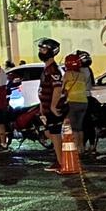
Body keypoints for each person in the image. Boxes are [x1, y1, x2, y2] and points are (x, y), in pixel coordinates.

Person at [35, 38, 64, 172]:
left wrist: (53, 106)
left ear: (52, 51)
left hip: (52, 109)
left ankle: (61, 162)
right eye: (40, 49)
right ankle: (60, 157)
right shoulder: (46, 69)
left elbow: (57, 88)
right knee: (48, 132)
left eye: (43, 49)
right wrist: (43, 107)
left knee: (55, 134)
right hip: (46, 108)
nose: (41, 52)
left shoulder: (53, 70)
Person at [61, 51, 92, 154]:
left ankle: (75, 148)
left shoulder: (67, 74)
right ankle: (81, 147)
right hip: (84, 102)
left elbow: (62, 88)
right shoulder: (82, 75)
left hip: (72, 102)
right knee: (80, 127)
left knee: (73, 127)